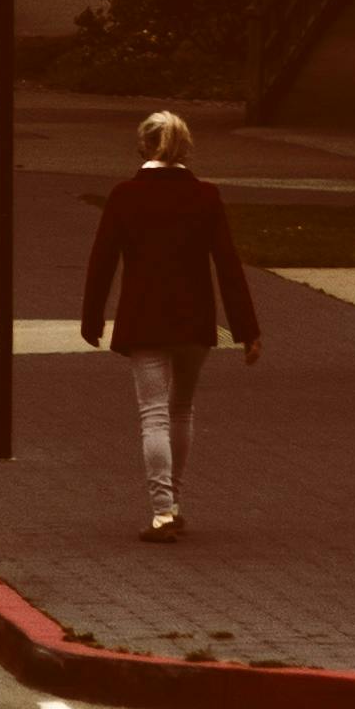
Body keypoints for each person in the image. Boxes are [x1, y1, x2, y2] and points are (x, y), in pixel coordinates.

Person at [80, 109, 261, 535]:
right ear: (186, 149)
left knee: (154, 415)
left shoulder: (125, 195)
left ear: (143, 145)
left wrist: (91, 318)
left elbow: (102, 260)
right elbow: (228, 265)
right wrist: (247, 330)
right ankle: (175, 500)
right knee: (181, 410)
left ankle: (161, 511)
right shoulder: (205, 196)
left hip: (144, 319)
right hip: (194, 319)